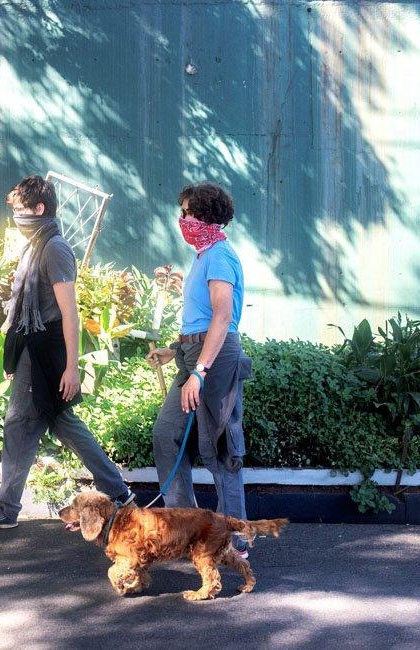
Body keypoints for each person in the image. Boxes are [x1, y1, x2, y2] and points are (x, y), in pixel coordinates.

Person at [0, 175, 135, 531]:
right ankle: (119, 494)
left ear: (40, 209)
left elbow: (70, 313)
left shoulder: (54, 248)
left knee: (18, 425)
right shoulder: (34, 246)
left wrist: (72, 368)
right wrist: (16, 358)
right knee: (62, 422)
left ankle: (6, 508)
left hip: (47, 351)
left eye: (23, 209)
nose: (17, 217)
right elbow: (25, 305)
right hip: (33, 348)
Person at [146, 182, 253, 557]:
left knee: (220, 450)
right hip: (194, 355)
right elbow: (201, 319)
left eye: (189, 212)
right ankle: (186, 528)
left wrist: (201, 370)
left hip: (216, 359)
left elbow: (222, 318)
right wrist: (174, 350)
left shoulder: (220, 256)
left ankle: (235, 538)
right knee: (167, 434)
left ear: (206, 215)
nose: (183, 219)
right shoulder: (202, 256)